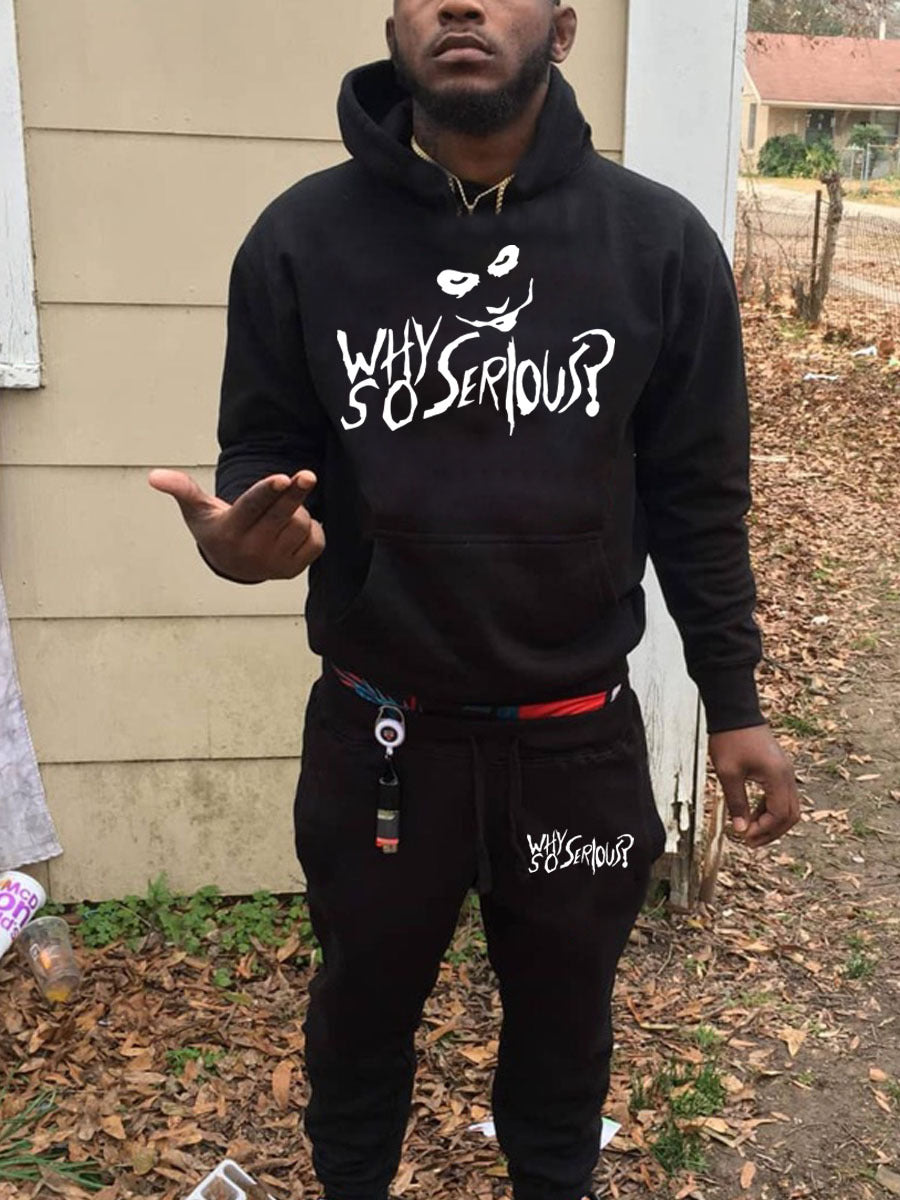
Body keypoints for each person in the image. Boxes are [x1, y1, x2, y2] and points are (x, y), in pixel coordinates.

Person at [148, 2, 801, 1197]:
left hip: (574, 748)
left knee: (563, 1037)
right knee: (357, 1022)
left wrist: (734, 700)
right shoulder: (301, 239)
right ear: (394, 26)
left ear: (559, 28)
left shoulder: (656, 244)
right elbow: (264, 453)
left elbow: (699, 499)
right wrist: (244, 540)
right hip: (379, 745)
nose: (461, 4)